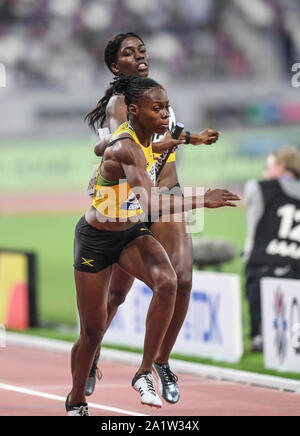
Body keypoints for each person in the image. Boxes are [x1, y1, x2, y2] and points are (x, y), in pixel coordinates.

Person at [66, 74, 239, 415]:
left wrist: (192, 139)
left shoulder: (144, 140)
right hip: (96, 240)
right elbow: (153, 204)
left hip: (130, 234)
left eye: (166, 107)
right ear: (133, 110)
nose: (165, 115)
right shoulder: (127, 147)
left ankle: (145, 371)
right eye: (156, 109)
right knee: (92, 331)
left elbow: (155, 147)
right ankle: (76, 400)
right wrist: (203, 198)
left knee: (168, 281)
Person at [84, 32, 221, 404]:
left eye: (142, 49)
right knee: (116, 293)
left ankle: (158, 363)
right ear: (115, 66)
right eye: (129, 53)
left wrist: (191, 138)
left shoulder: (155, 95)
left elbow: (166, 129)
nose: (139, 55)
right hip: (131, 202)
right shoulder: (119, 105)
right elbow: (127, 147)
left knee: (183, 279)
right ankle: (92, 351)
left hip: (168, 194)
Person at [243, 146, 300, 352]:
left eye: (269, 167)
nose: (264, 172)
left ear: (282, 166)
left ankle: (259, 335)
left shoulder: (259, 188)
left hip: (262, 265)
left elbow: (252, 229)